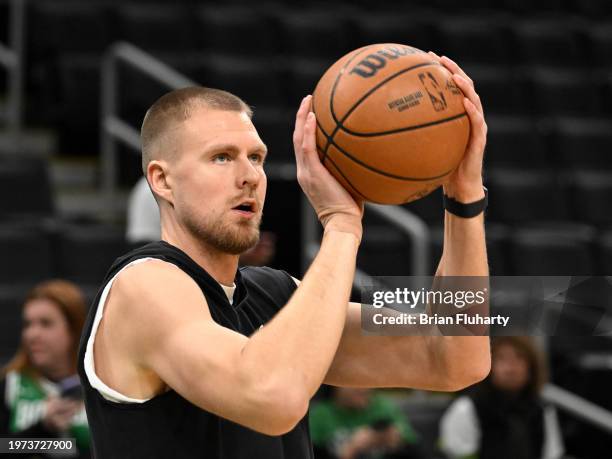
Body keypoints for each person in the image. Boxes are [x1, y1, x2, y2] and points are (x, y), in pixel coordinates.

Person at [77, 52, 491, 458]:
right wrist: (342, 226)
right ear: (162, 181)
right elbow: (271, 397)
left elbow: (454, 356)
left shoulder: (274, 295)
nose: (248, 177)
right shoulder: (143, 284)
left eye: (255, 158)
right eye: (221, 157)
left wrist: (464, 198)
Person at [0, 280, 91, 459]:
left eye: (46, 324)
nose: (32, 334)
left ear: (74, 329)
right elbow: (3, 447)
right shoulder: (10, 385)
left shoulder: (99, 387)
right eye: (28, 324)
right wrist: (45, 428)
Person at [439, 337, 564, 459]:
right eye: (502, 359)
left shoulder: (542, 411)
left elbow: (552, 454)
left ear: (532, 368)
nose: (511, 368)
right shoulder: (466, 408)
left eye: (519, 358)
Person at [310, 387, 424, 459]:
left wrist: (398, 443)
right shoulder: (321, 415)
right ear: (337, 386)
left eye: (366, 384)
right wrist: (352, 448)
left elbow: (416, 449)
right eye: (355, 385)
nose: (363, 390)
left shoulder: (383, 406)